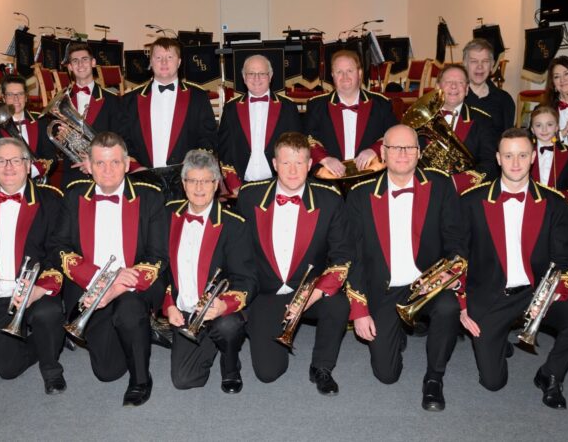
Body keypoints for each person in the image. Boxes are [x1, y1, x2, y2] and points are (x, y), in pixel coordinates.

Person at [458, 128, 568, 409]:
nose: (515, 163)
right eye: (508, 156)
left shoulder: (554, 203)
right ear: (497, 158)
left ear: (532, 157)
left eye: (521, 155)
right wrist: (462, 303)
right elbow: (458, 257)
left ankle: (550, 374)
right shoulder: (471, 201)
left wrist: (556, 291)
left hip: (536, 290)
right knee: (493, 383)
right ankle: (499, 340)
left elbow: (565, 260)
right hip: (491, 295)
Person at [345, 124, 465, 411]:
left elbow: (456, 239)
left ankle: (434, 378)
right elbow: (354, 256)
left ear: (419, 152)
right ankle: (396, 330)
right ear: (383, 153)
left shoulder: (440, 184)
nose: (402, 153)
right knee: (386, 375)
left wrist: (445, 276)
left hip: (427, 284)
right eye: (395, 148)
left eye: (409, 147)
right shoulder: (360, 194)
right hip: (384, 289)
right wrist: (360, 311)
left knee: (447, 308)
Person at [54, 131, 167, 406]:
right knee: (107, 371)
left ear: (127, 164)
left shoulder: (150, 196)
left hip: (134, 284)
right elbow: (60, 247)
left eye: (115, 162)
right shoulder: (74, 196)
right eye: (100, 163)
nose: (108, 170)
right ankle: (138, 333)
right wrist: (99, 279)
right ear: (89, 165)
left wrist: (116, 286)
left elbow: (158, 256)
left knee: (128, 312)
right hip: (90, 286)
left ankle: (141, 378)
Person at [237, 132, 352, 395]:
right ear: (275, 164)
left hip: (310, 291)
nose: (292, 170)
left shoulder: (330, 198)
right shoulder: (249, 196)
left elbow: (342, 256)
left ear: (310, 164)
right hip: (266, 292)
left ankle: (322, 366)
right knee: (268, 373)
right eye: (286, 162)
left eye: (299, 163)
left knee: (337, 303)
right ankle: (259, 326)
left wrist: (311, 296)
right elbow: (237, 250)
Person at [0, 137, 68, 394]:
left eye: (16, 160)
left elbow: (58, 252)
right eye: (1, 161)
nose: (9, 167)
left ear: (28, 165)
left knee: (47, 314)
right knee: (8, 369)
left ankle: (52, 369)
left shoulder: (51, 200)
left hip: (36, 290)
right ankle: (46, 341)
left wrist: (40, 289)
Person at [163, 150, 255, 393]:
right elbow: (160, 266)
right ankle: (210, 343)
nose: (199, 187)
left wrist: (224, 306)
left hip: (219, 311)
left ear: (216, 184)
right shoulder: (167, 216)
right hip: (183, 311)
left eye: (206, 181)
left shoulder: (235, 224)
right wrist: (168, 305)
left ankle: (230, 362)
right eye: (193, 180)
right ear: (184, 184)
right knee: (184, 380)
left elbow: (247, 280)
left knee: (228, 328)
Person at [120, 37, 216, 171]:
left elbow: (208, 137)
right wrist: (135, 167)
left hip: (186, 177)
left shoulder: (198, 97)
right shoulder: (130, 100)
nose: (164, 62)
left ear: (179, 62)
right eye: (158, 57)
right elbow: (123, 140)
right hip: (142, 177)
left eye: (170, 57)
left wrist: (192, 163)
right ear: (151, 62)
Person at [528, 106, 568, 304]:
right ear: (531, 128)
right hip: (528, 215)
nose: (544, 130)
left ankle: (558, 300)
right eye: (538, 125)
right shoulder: (524, 152)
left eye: (549, 125)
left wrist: (556, 199)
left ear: (557, 127)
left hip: (559, 217)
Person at [305, 50, 398, 178]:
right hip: (330, 178)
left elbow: (395, 134)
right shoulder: (317, 106)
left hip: (371, 177)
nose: (345, 76)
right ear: (332, 75)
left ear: (359, 73)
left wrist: (374, 150)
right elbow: (306, 138)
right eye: (339, 72)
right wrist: (325, 159)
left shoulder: (381, 104)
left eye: (350, 71)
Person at [218, 54, 303, 195]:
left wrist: (288, 185)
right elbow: (224, 150)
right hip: (240, 188)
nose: (256, 78)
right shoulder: (230, 108)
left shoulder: (288, 107)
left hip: (279, 187)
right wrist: (234, 185)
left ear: (270, 76)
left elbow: (297, 150)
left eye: (262, 73)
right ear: (244, 77)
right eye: (251, 73)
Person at [55, 42, 124, 184]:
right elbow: (54, 139)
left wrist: (94, 161)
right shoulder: (60, 101)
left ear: (93, 63)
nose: (80, 64)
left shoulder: (112, 100)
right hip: (72, 172)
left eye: (85, 59)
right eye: (75, 61)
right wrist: (60, 138)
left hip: (104, 172)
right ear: (70, 67)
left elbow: (118, 138)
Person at [433, 64, 498, 191]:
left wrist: (458, 184)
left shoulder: (483, 121)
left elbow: (490, 162)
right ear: (437, 87)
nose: (453, 86)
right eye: (448, 81)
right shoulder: (422, 119)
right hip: (429, 191)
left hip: (467, 193)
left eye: (460, 82)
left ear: (467, 89)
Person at [0, 74, 54, 181]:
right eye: (10, 95)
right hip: (6, 181)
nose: (16, 99)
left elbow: (51, 157)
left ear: (26, 97)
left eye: (20, 94)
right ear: (3, 98)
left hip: (37, 182)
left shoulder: (41, 121)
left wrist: (31, 171)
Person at [463, 38, 515, 135]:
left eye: (485, 61)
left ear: (492, 65)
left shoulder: (505, 100)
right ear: (465, 64)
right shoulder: (456, 97)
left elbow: (508, 138)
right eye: (474, 61)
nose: (480, 66)